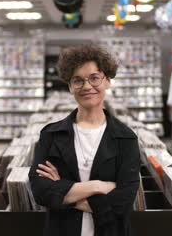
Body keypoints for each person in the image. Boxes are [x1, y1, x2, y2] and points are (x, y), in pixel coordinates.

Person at [29, 44, 140, 236]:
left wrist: (63, 193)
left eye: (95, 78)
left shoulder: (126, 138)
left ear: (107, 81)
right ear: (70, 86)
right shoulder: (51, 135)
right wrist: (98, 186)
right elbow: (41, 191)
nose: (87, 86)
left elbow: (123, 202)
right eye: (78, 80)